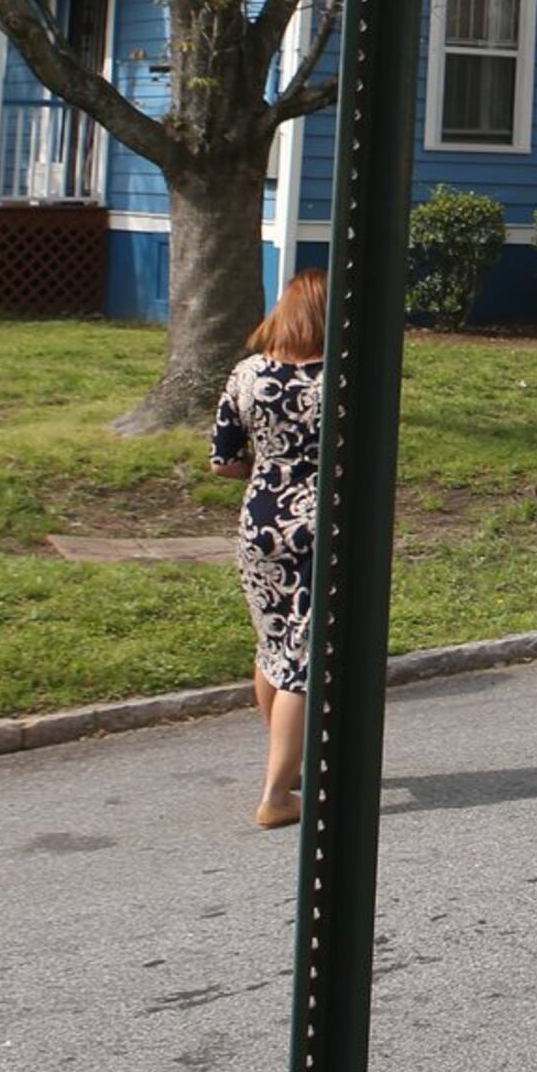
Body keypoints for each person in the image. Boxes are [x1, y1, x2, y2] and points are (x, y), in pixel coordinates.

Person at [208, 268, 328, 830]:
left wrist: (269, 473)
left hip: (259, 525)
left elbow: (224, 460)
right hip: (319, 529)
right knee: (304, 664)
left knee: (270, 644)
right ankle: (277, 796)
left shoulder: (247, 375)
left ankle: (289, 757)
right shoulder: (340, 379)